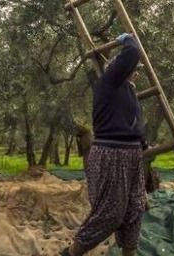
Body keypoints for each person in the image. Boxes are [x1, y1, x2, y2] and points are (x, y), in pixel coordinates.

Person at [62, 33, 146, 256]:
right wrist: (127, 39)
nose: (135, 70)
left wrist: (142, 146)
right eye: (130, 68)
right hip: (112, 153)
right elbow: (133, 53)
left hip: (132, 154)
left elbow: (135, 124)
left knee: (135, 210)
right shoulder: (108, 81)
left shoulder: (128, 89)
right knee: (111, 213)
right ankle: (71, 252)